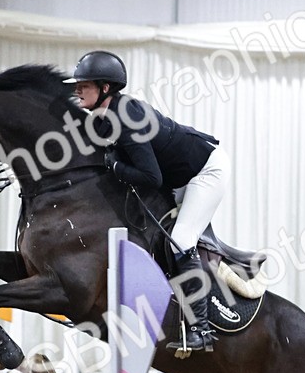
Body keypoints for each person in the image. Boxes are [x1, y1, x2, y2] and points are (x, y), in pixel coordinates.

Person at [66, 50, 230, 356]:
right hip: (177, 178)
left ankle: (201, 329)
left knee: (180, 240)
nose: (77, 90)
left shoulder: (128, 117)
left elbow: (150, 177)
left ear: (105, 88)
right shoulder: (101, 118)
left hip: (205, 171)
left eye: (84, 85)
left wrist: (114, 166)